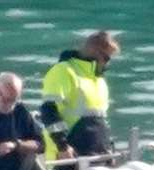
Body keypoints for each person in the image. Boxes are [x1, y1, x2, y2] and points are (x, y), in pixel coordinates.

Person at [40, 29, 119, 162]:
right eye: (106, 58)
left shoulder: (99, 81)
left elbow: (100, 121)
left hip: (97, 156)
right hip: (67, 159)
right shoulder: (63, 71)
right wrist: (62, 146)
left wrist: (109, 148)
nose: (108, 64)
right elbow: (48, 111)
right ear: (95, 53)